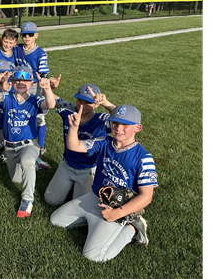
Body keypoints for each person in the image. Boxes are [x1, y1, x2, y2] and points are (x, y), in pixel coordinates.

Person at [50, 104, 157, 262]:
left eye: (125, 125)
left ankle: (133, 228)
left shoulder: (143, 158)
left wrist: (117, 214)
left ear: (138, 127)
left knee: (93, 256)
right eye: (115, 123)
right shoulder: (105, 142)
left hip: (116, 207)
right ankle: (93, 223)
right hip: (93, 197)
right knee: (56, 220)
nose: (118, 128)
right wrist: (73, 127)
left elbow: (146, 196)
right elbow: (74, 146)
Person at [0, 65, 56, 218]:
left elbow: (50, 104)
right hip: (9, 147)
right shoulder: (7, 97)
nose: (21, 83)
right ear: (11, 82)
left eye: (25, 81)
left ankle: (27, 200)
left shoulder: (34, 100)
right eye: (17, 80)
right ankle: (37, 164)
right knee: (15, 179)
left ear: (31, 84)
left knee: (26, 161)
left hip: (28, 145)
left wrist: (47, 89)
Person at [43, 82, 115, 207]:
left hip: (88, 169)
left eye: (88, 103)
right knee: (51, 200)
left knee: (80, 205)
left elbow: (123, 120)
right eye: (80, 101)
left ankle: (75, 186)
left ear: (96, 105)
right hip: (67, 164)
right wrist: (49, 87)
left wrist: (106, 103)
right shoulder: (69, 110)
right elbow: (50, 97)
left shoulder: (102, 120)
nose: (82, 105)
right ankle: (68, 184)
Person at [16, 22, 51, 170]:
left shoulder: (40, 53)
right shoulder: (18, 48)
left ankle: (41, 145)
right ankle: (22, 142)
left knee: (38, 115)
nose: (27, 37)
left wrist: (44, 85)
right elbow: (5, 44)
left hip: (35, 86)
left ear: (36, 35)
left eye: (30, 34)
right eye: (24, 35)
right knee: (20, 113)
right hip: (19, 84)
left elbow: (43, 73)